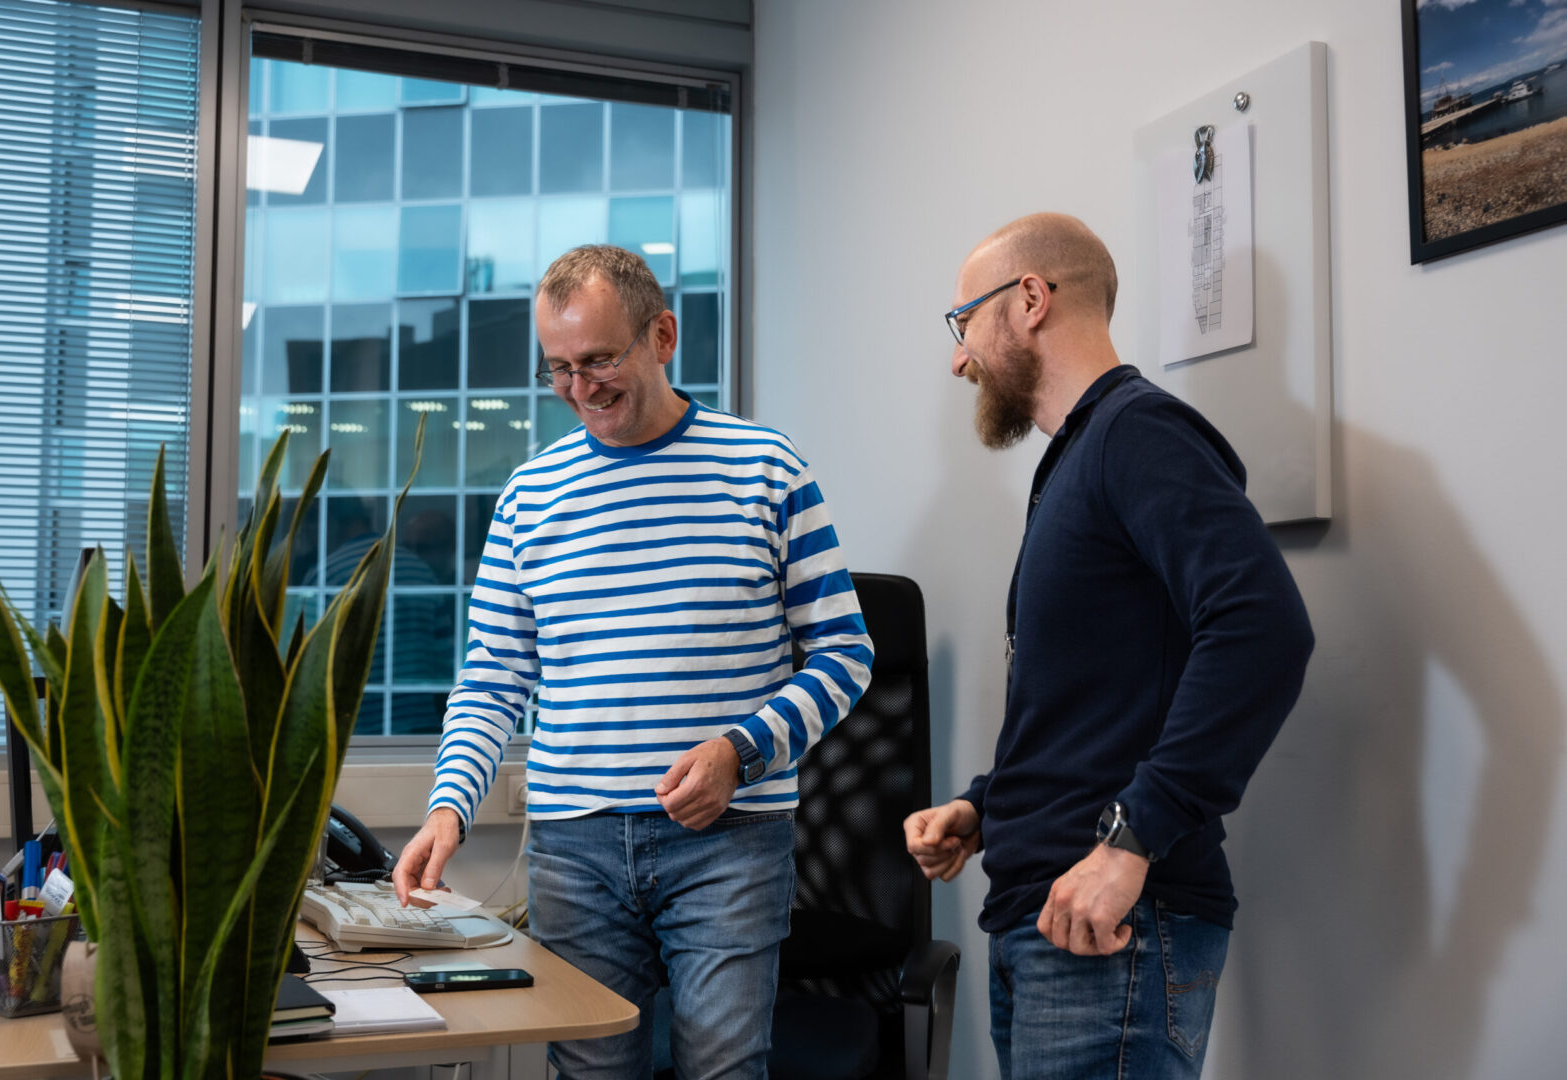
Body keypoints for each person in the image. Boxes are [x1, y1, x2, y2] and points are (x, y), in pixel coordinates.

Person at [393, 244, 874, 1079]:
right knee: (590, 1074)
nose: (581, 390)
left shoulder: (765, 468)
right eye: (559, 370)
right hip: (574, 850)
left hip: (729, 843)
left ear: (663, 334)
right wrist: (447, 811)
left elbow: (844, 653)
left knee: (723, 1070)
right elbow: (492, 679)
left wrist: (740, 751)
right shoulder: (529, 497)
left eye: (599, 360)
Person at [904, 213, 1313, 1080]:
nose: (957, 358)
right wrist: (985, 806)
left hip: (1111, 929)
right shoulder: (1078, 458)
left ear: (1029, 299)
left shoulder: (1139, 433)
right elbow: (1101, 695)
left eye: (962, 323)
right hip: (1048, 918)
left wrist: (1131, 840)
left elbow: (1262, 626)